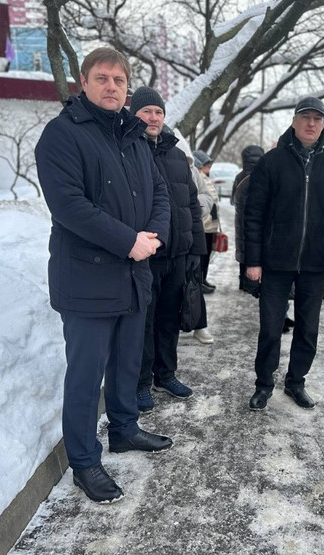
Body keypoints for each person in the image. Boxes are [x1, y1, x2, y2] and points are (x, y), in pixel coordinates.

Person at [34, 48, 173, 504]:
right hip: (86, 279)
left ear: (127, 88)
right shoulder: (62, 135)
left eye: (119, 80)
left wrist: (152, 237)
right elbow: (70, 206)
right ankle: (84, 461)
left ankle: (125, 428)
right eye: (102, 78)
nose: (111, 86)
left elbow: (159, 194)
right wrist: (129, 241)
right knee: (86, 373)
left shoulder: (133, 135)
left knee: (127, 362)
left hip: (133, 274)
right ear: (84, 81)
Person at [244, 96, 324, 411]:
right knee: (271, 328)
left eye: (317, 118)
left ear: (323, 124)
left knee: (308, 329)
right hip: (275, 261)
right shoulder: (271, 162)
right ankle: (264, 384)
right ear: (294, 121)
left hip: (315, 264)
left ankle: (296, 381)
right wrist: (253, 260)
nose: (311, 123)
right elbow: (254, 215)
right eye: (305, 117)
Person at [132, 87, 207, 414]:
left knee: (168, 319)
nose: (153, 117)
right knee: (144, 322)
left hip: (178, 255)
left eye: (158, 112)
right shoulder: (129, 150)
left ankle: (165, 375)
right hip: (146, 256)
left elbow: (191, 204)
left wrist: (196, 250)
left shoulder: (177, 155)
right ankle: (141, 381)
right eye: (146, 111)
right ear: (134, 115)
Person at [232, 145, 264, 293]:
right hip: (257, 219)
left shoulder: (239, 176)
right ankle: (254, 282)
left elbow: (233, 199)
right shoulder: (263, 176)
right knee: (254, 246)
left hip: (240, 218)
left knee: (243, 246)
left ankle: (242, 281)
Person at [191, 150, 220, 297]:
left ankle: (204, 278)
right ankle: (199, 280)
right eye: (207, 166)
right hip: (203, 223)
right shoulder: (196, 175)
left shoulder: (205, 177)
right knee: (202, 255)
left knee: (207, 254)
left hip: (210, 224)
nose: (209, 169)